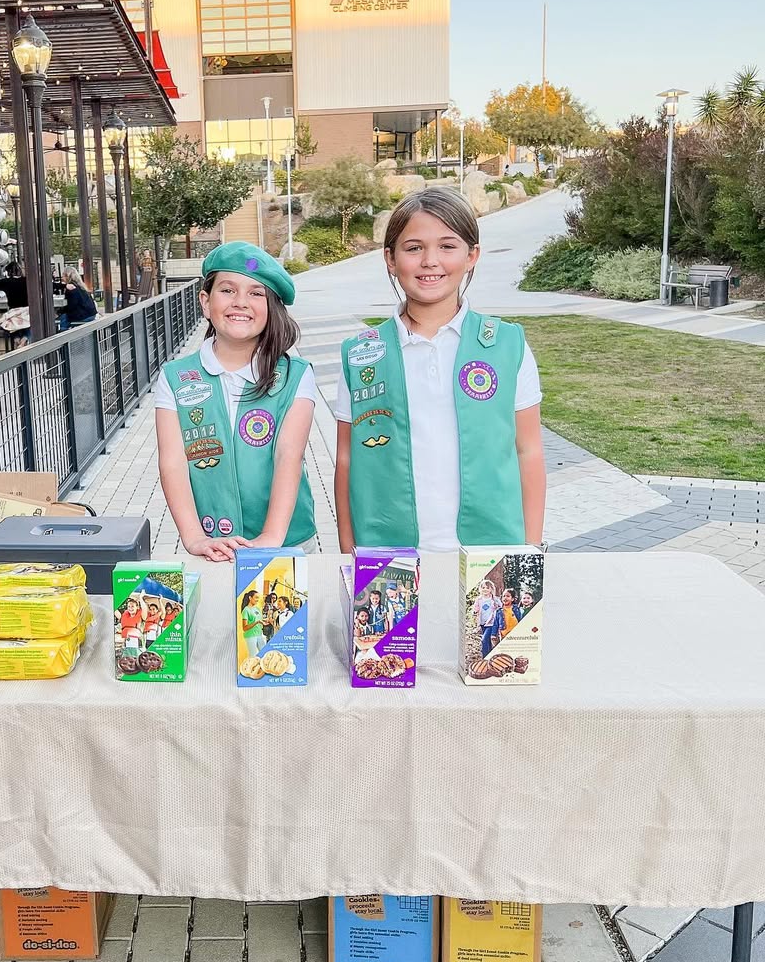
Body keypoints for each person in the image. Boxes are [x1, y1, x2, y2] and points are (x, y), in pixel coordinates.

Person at [334, 189, 545, 553]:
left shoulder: (507, 345)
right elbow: (346, 459)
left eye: (447, 246)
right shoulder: (361, 355)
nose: (430, 261)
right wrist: (349, 553)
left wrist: (531, 549)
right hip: (385, 553)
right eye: (414, 248)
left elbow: (528, 451)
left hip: (491, 551)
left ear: (471, 255)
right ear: (390, 258)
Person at [155, 242, 317, 562]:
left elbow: (289, 455)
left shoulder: (296, 375)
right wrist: (194, 537)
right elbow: (172, 462)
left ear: (271, 307)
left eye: (256, 293)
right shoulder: (175, 377)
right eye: (228, 290)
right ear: (205, 301)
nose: (240, 302)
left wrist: (270, 538)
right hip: (213, 546)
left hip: (286, 543)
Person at [0, 263, 31, 345]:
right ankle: (25, 339)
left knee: (11, 323)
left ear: (7, 272)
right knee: (28, 323)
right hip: (26, 311)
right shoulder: (26, 281)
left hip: (13, 311)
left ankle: (16, 340)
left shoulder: (7, 282)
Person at [240, 589, 263, 657]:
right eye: (256, 597)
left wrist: (265, 621)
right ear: (250, 598)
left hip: (259, 634)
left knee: (264, 653)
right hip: (251, 636)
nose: (257, 600)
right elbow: (245, 628)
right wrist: (256, 622)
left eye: (258, 598)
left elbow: (259, 620)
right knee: (253, 656)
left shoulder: (257, 609)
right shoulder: (246, 610)